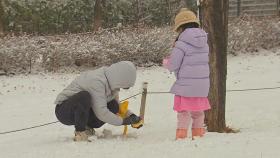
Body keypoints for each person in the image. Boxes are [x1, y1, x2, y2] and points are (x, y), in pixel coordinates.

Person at [54, 61, 142, 141]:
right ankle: (80, 133)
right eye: (124, 85)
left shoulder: (112, 83)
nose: (122, 88)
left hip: (83, 110)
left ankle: (87, 127)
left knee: (113, 105)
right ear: (121, 79)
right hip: (64, 111)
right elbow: (101, 113)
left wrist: (130, 115)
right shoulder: (97, 81)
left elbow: (118, 105)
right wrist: (123, 121)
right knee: (84, 96)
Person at [163, 8, 211, 140]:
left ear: (180, 27)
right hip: (202, 84)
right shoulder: (204, 43)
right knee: (198, 112)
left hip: (186, 85)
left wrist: (166, 62)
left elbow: (173, 65)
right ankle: (198, 135)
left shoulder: (181, 44)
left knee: (183, 112)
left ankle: (181, 137)